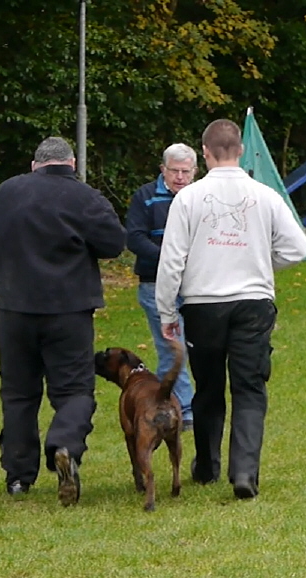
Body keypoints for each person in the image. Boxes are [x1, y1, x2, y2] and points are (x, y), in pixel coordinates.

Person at [155, 118, 306, 499]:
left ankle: (207, 465)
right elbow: (296, 248)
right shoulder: (265, 195)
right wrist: (261, 262)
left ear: (204, 152)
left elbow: (171, 260)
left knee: (208, 388)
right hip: (253, 302)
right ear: (240, 151)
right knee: (250, 387)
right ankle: (244, 472)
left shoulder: (187, 199)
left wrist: (166, 312)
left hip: (203, 304)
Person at [0, 136, 126, 506]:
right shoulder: (85, 197)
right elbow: (113, 244)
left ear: (35, 164)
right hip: (68, 310)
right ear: (72, 164)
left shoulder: (6, 192)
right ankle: (64, 445)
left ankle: (18, 475)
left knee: (18, 393)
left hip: (14, 309)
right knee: (74, 390)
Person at [124, 143, 198, 431]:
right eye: (174, 171)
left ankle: (183, 404)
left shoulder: (201, 197)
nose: (180, 177)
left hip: (195, 285)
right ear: (162, 170)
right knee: (172, 348)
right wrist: (170, 258)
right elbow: (135, 238)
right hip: (154, 284)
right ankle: (184, 410)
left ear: (195, 171)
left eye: (185, 172)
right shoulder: (145, 197)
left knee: (196, 346)